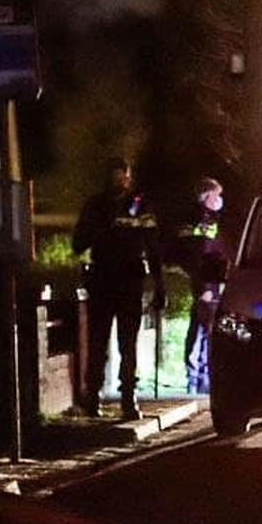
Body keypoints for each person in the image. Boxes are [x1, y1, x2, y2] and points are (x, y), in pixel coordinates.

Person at [72, 156, 164, 420]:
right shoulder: (96, 206)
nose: (119, 180)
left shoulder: (140, 205)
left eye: (122, 175)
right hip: (104, 280)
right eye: (115, 175)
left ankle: (126, 399)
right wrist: (100, 228)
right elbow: (78, 243)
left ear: (128, 177)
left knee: (126, 344)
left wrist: (160, 286)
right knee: (99, 342)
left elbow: (153, 248)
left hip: (128, 281)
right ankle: (94, 397)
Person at [171, 176, 228, 395]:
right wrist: (204, 287)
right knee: (201, 330)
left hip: (213, 282)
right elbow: (197, 255)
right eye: (216, 195)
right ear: (206, 196)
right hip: (205, 283)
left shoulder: (211, 219)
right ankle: (195, 378)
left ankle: (202, 378)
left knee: (206, 330)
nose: (219, 199)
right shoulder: (199, 220)